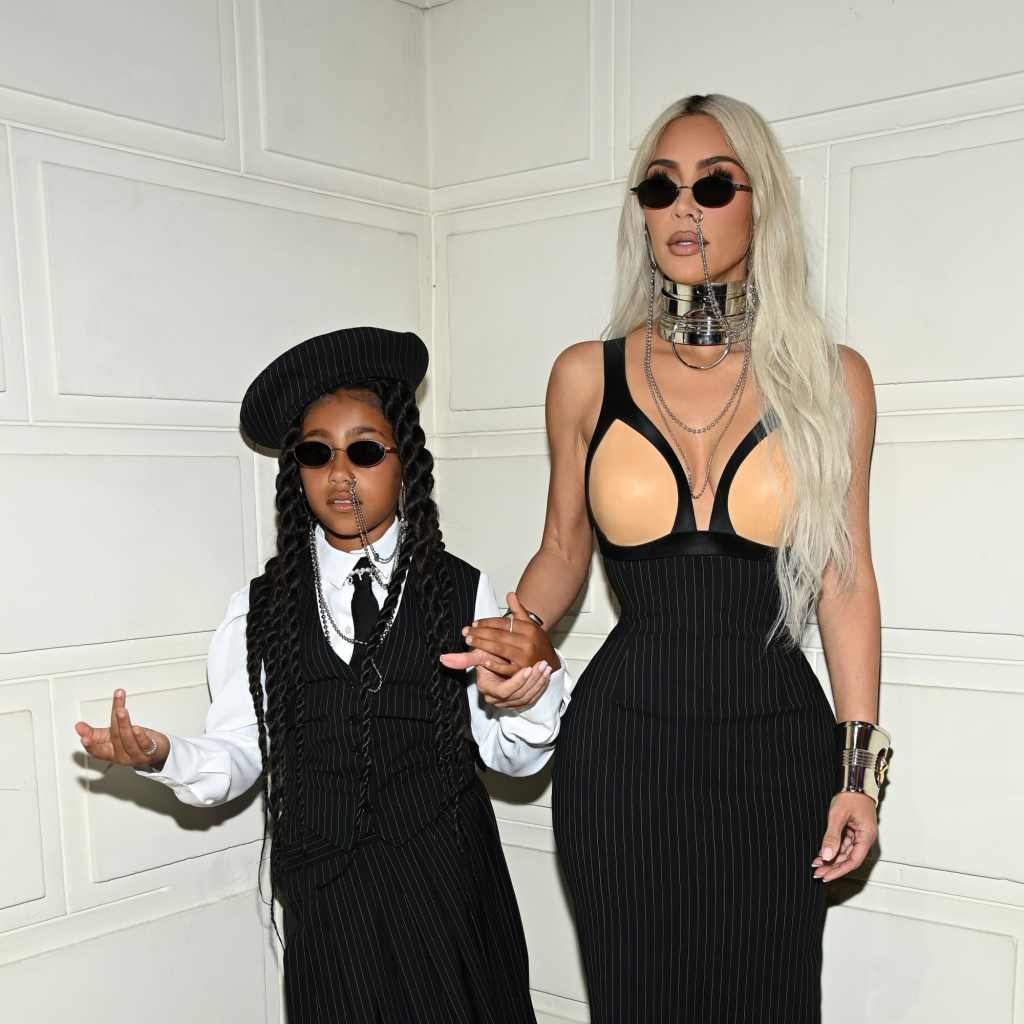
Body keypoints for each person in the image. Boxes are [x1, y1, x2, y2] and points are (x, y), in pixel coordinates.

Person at [443, 95, 893, 1022]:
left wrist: (858, 775)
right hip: (623, 754)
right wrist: (517, 640)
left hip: (776, 749)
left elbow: (844, 580)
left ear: (761, 203)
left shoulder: (832, 379)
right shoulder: (586, 375)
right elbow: (562, 547)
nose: (684, 208)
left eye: (713, 186)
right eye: (661, 188)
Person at [75, 327, 575, 1024]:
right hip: (331, 913)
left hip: (450, 899)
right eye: (316, 453)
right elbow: (239, 752)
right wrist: (163, 755)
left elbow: (511, 759)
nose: (340, 474)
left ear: (404, 460)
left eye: (364, 450)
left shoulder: (460, 590)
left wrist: (525, 697)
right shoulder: (260, 609)